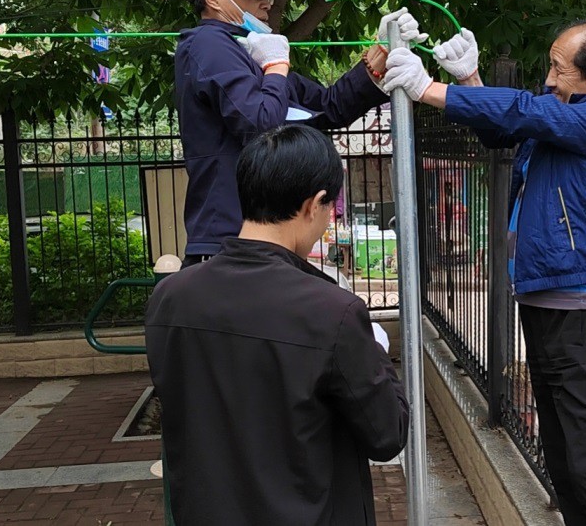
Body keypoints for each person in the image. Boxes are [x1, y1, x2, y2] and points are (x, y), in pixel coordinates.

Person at [383, 20, 586, 525]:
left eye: (559, 69)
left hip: (585, 322)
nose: (549, 79)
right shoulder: (565, 114)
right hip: (544, 308)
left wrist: (427, 90)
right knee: (562, 460)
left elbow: (528, 110)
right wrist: (469, 83)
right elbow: (507, 129)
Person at [145, 124, 409, 525]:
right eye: (329, 208)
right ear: (313, 204)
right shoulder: (332, 312)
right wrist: (373, 349)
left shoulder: (169, 298)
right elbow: (387, 434)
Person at [176, 0, 426, 267]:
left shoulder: (246, 50)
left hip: (265, 236)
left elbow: (328, 106)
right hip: (229, 238)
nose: (267, 1)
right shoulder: (207, 44)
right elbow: (261, 126)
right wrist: (276, 65)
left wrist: (378, 56)